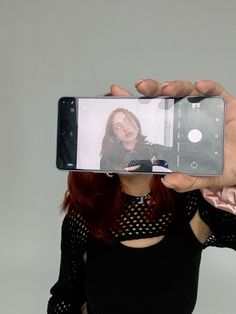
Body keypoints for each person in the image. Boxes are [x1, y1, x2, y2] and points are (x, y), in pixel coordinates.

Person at [47, 79, 236, 314]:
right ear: (112, 139)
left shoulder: (192, 201)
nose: (125, 126)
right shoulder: (84, 218)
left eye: (128, 118)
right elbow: (66, 299)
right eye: (117, 126)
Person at [100, 107, 170, 172]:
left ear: (136, 122)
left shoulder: (156, 151)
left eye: (127, 120)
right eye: (118, 127)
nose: (125, 128)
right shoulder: (108, 160)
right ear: (114, 135)